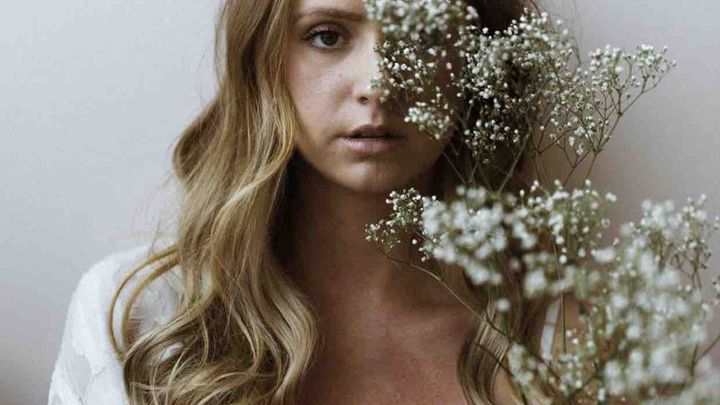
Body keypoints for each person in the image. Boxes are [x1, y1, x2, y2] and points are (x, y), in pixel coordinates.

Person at [48, 0, 574, 403]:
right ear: (263, 59)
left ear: (478, 63)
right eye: (327, 36)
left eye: (423, 35)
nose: (379, 84)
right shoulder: (139, 318)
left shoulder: (559, 337)